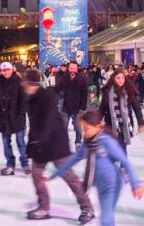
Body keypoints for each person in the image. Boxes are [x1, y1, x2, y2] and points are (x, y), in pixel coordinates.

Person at [46, 111, 144, 226]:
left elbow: (125, 162)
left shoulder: (107, 142)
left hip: (112, 184)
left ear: (98, 127)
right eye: (83, 129)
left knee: (106, 218)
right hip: (100, 185)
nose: (84, 133)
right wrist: (53, 176)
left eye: (87, 129)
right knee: (108, 216)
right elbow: (72, 161)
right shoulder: (87, 145)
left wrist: (135, 185)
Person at [23, 70, 94, 224]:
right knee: (36, 175)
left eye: (25, 83)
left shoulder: (46, 96)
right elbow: (34, 124)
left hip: (55, 143)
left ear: (31, 84)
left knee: (69, 177)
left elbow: (49, 121)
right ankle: (44, 206)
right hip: (40, 145)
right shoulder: (31, 98)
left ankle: (87, 207)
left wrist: (40, 140)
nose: (24, 87)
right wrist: (31, 144)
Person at [0, 62, 30, 176]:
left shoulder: (19, 82)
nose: (6, 72)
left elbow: (23, 101)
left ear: (12, 70)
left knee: (20, 142)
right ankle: (10, 164)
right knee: (6, 143)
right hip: (4, 118)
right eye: (3, 70)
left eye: (8, 70)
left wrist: (20, 116)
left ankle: (25, 164)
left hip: (17, 118)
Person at [99, 70, 144, 154]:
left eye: (122, 78)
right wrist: (95, 122)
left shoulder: (129, 91)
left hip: (125, 124)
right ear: (113, 79)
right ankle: (114, 163)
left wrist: (141, 123)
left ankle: (123, 164)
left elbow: (137, 108)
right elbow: (102, 109)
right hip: (110, 124)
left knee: (122, 146)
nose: (121, 80)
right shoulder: (107, 92)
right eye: (118, 78)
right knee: (112, 147)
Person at [56, 61, 88, 147]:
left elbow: (85, 94)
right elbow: (57, 89)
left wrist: (83, 108)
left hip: (78, 107)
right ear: (68, 68)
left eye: (74, 68)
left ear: (77, 69)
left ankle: (78, 142)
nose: (73, 70)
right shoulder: (64, 77)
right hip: (66, 106)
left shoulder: (82, 79)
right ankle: (63, 142)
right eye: (71, 68)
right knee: (63, 126)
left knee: (77, 127)